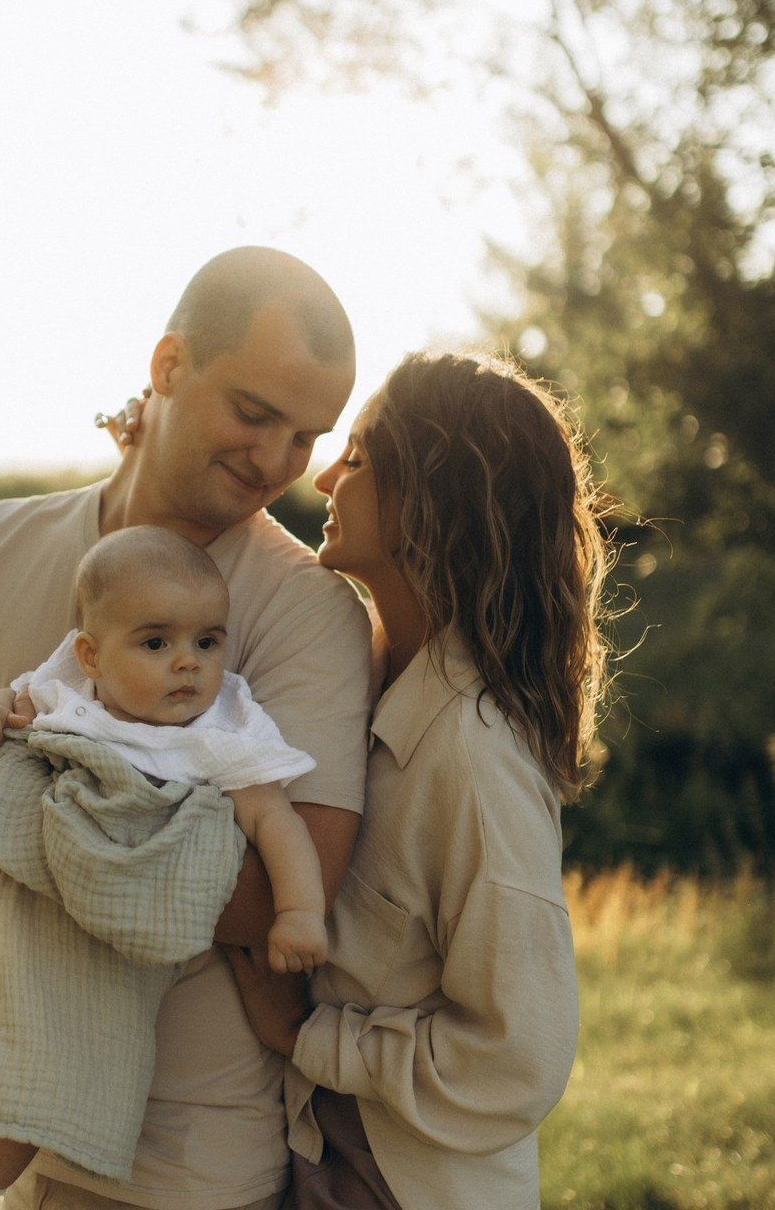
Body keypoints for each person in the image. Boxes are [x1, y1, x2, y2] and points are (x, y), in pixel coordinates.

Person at [0, 246, 374, 1210]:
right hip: (19, 1149)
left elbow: (288, 892)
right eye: (254, 414)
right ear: (168, 367)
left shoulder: (310, 609)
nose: (275, 462)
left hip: (180, 1167)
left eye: (306, 437)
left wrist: (41, 838)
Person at [0, 525, 331, 1208]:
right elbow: (7, 704)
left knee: (48, 1069)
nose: (188, 664)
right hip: (18, 906)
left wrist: (300, 912)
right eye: (156, 643)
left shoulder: (221, 731)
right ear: (90, 655)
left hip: (102, 945)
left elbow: (277, 821)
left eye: (207, 642)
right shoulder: (68, 693)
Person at [225, 350, 614, 1209]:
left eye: (358, 458)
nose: (326, 476)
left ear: (430, 503)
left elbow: (520, 1055)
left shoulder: (473, 758)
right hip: (333, 1157)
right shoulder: (365, 675)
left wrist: (308, 1037)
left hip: (413, 1186)